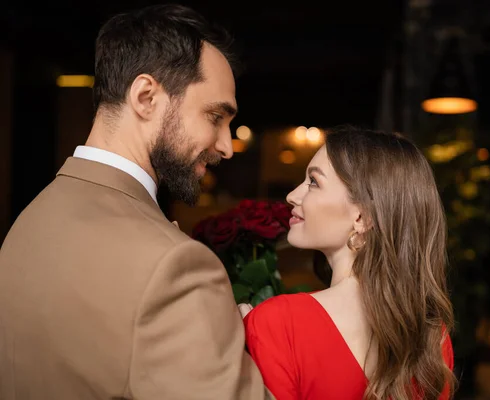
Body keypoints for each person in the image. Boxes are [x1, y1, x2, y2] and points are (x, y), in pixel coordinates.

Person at [0, 4, 269, 399]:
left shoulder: (28, 222)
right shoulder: (174, 266)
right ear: (146, 97)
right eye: (215, 117)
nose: (227, 147)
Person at [239, 125, 456, 399]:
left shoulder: (278, 323)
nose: (292, 195)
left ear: (362, 218)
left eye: (314, 182)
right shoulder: (432, 337)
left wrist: (246, 352)